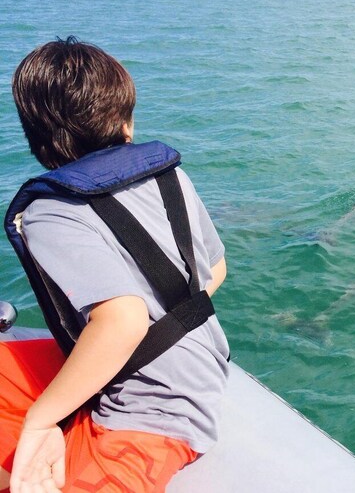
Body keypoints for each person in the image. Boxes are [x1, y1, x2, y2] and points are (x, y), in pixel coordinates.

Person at [0, 37, 229, 492]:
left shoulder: (50, 210)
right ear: (126, 122)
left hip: (156, 411)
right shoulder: (168, 176)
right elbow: (214, 271)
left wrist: (42, 422)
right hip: (201, 368)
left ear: (36, 138)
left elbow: (122, 321)